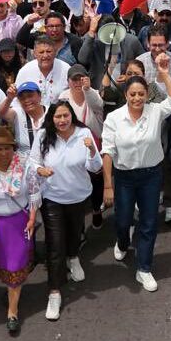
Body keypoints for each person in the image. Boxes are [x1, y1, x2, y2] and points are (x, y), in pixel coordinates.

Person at [100, 53, 171, 292]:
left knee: (148, 222)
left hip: (151, 176)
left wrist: (163, 74)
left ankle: (144, 268)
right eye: (132, 94)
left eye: (141, 94)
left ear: (147, 95)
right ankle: (123, 241)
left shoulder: (155, 111)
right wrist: (108, 185)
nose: (137, 98)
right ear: (126, 95)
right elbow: (107, 152)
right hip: (124, 178)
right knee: (123, 220)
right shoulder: (114, 118)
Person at [29, 101, 102, 321]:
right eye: (57, 117)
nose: (62, 120)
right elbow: (31, 162)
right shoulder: (43, 136)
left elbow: (96, 167)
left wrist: (91, 149)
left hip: (78, 196)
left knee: (73, 234)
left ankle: (74, 257)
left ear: (72, 116)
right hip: (52, 197)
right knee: (54, 244)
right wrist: (39, 169)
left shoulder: (84, 133)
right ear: (51, 119)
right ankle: (54, 291)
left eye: (65, 116)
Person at [0, 124, 40, 335]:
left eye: (8, 148)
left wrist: (32, 218)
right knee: (0, 263)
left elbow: (33, 193)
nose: (4, 152)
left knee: (14, 266)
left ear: (14, 148)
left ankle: (12, 312)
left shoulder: (24, 164)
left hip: (19, 223)